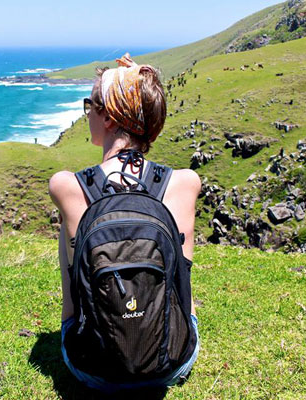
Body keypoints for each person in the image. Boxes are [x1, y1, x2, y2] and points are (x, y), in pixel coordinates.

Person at [48, 53, 200, 392]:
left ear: (108, 116)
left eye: (91, 106)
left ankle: (82, 336)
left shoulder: (66, 186)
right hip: (172, 364)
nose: (87, 114)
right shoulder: (185, 183)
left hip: (94, 372)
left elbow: (70, 282)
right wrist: (140, 88)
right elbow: (183, 279)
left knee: (74, 228)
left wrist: (69, 326)